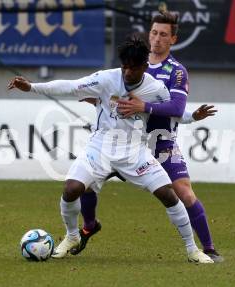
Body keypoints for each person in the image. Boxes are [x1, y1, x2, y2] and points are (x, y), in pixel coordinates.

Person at [8, 34, 213, 264]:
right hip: (101, 145)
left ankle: (192, 250)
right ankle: (73, 236)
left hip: (134, 150)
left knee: (168, 195)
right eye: (124, 66)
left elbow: (172, 111)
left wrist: (192, 117)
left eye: (132, 68)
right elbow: (71, 87)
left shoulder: (155, 89)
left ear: (144, 66)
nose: (127, 72)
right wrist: (32, 87)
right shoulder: (106, 79)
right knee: (71, 188)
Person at [76, 11, 224, 263]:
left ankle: (208, 249)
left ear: (173, 39)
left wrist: (188, 115)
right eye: (154, 32)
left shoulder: (176, 72)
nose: (157, 39)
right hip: (122, 141)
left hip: (160, 142)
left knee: (184, 193)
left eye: (163, 34)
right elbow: (114, 98)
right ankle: (89, 225)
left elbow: (175, 109)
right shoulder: (130, 64)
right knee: (84, 184)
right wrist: (100, 101)